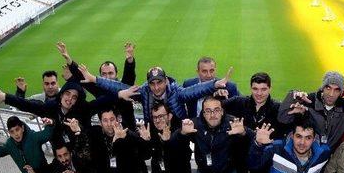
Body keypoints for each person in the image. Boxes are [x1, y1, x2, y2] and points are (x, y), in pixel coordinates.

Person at [82, 65, 232, 123]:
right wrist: (94, 79)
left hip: (176, 127)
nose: (156, 87)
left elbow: (193, 91)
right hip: (154, 128)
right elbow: (118, 86)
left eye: (159, 82)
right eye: (152, 83)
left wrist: (213, 85)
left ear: (166, 81)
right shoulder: (144, 91)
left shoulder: (175, 92)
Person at [222, 72, 284, 173]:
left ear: (270, 89)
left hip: (266, 158)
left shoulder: (278, 108)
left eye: (263, 89)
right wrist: (217, 93)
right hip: (242, 156)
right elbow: (215, 108)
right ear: (250, 88)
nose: (259, 93)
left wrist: (300, 109)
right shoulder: (239, 102)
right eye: (255, 89)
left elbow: (296, 123)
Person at [0, 80, 116, 149]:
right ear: (61, 94)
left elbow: (101, 102)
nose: (69, 99)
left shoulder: (82, 109)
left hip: (82, 150)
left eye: (74, 97)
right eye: (67, 94)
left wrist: (121, 94)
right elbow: (28, 105)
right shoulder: (49, 107)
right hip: (61, 151)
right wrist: (6, 97)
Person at [57, 41, 137, 129]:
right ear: (100, 77)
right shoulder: (98, 89)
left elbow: (129, 78)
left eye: (110, 73)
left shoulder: (123, 88)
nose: (107, 77)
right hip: (106, 134)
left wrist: (130, 61)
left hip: (128, 133)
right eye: (104, 74)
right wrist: (69, 60)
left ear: (116, 74)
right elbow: (81, 77)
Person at [278, 71, 344, 151]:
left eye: (336, 90)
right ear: (322, 88)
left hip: (329, 157)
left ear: (341, 92)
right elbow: (283, 118)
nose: (331, 94)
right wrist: (293, 97)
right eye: (328, 88)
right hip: (305, 155)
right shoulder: (308, 101)